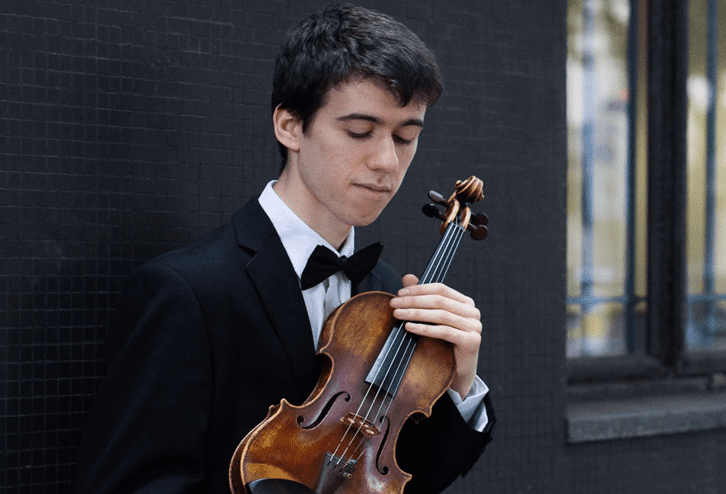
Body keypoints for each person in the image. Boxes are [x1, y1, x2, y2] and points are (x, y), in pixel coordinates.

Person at [75, 4, 495, 494]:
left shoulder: (388, 292)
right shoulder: (187, 291)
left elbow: (398, 480)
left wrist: (461, 382)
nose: (387, 161)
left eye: (405, 137)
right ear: (290, 126)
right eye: (360, 131)